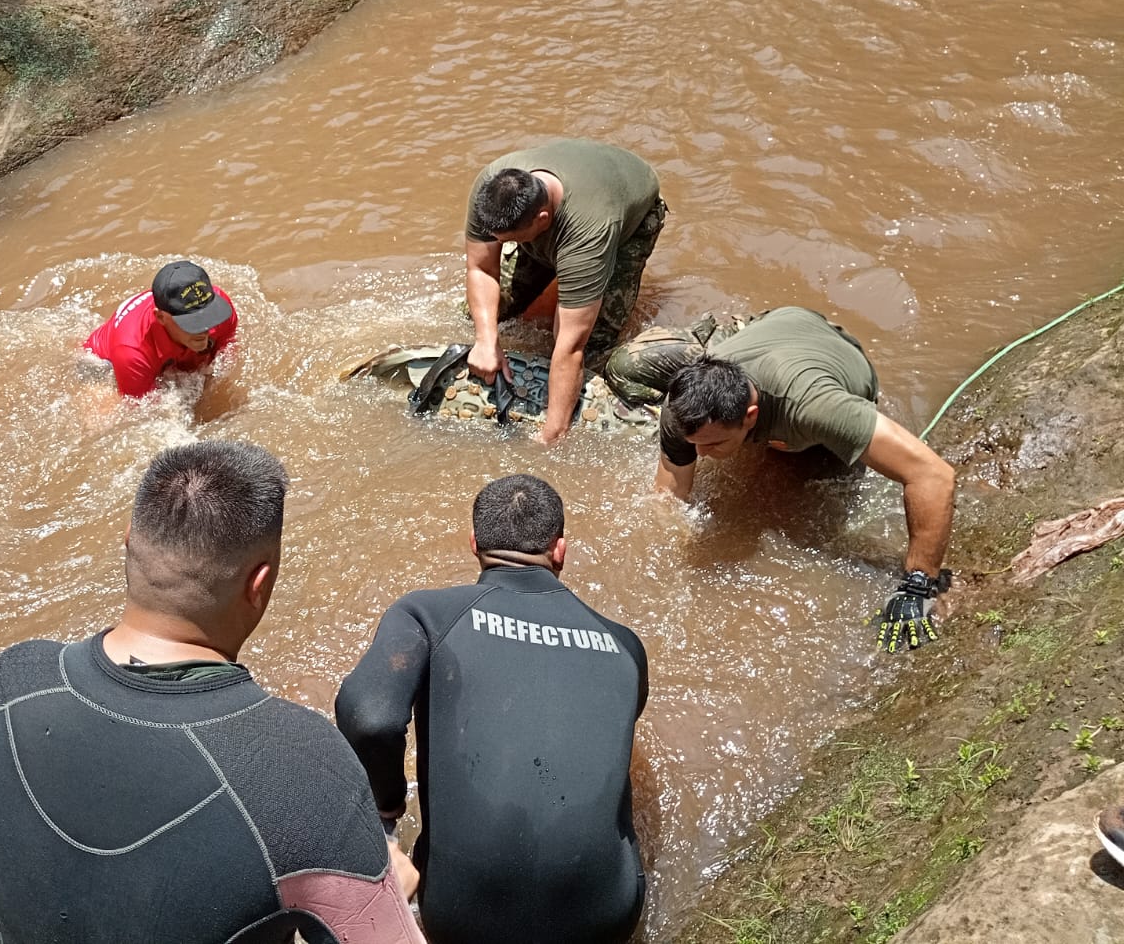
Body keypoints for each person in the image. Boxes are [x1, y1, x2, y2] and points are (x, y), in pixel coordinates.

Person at [0, 441, 423, 944]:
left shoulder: (2, 686)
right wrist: (393, 889)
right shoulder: (304, 769)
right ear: (259, 584)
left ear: (129, 541)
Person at [335, 474, 649, 944]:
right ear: (560, 551)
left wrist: (385, 817)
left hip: (461, 919)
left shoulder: (426, 614)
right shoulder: (625, 645)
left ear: (473, 543)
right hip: (607, 917)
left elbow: (369, 717)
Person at [651, 306, 957, 651]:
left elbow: (933, 475)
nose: (701, 455)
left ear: (750, 416)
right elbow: (670, 495)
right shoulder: (683, 410)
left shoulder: (814, 407)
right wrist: (675, 554)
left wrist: (917, 585)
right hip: (776, 325)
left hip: (834, 352)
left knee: (798, 472)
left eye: (714, 443)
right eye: (696, 445)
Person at [463, 139, 665, 446]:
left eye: (511, 240)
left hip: (627, 222)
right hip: (572, 192)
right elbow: (480, 269)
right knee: (480, 313)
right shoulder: (493, 190)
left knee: (595, 347)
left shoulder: (590, 232)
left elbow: (571, 346)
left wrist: (553, 434)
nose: (503, 244)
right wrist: (486, 341)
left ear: (542, 221)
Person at [84, 260, 238, 398]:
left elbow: (226, 358)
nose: (205, 329)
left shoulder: (222, 308)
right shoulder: (132, 352)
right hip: (104, 363)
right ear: (161, 317)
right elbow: (145, 416)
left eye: (208, 315)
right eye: (193, 322)